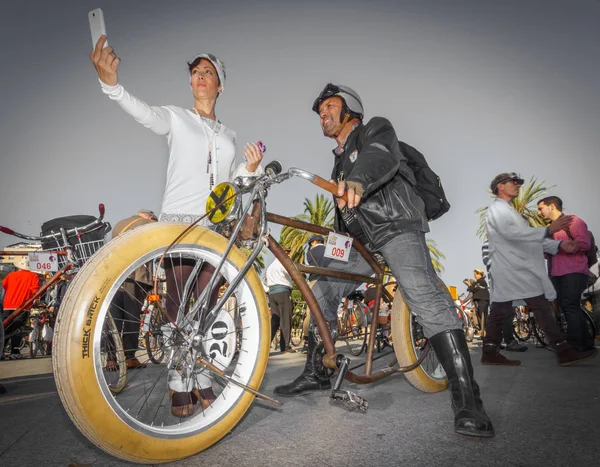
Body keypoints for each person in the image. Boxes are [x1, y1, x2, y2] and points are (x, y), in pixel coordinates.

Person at [275, 83, 494, 438]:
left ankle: (468, 398)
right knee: (320, 290)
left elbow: (380, 156)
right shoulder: (337, 161)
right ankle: (317, 371)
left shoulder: (375, 130)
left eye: (330, 106)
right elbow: (343, 214)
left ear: (350, 111)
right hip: (360, 244)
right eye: (319, 111)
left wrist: (359, 180)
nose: (323, 114)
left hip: (395, 227)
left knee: (424, 296)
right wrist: (331, 246)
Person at [90, 37, 265, 417]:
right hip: (179, 225)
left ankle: (200, 377)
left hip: (214, 230)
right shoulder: (175, 117)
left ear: (220, 84)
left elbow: (231, 186)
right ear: (191, 83)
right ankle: (177, 382)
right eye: (195, 72)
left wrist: (248, 170)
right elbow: (144, 113)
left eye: (209, 72)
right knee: (176, 306)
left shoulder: (229, 135)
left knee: (204, 311)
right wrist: (111, 85)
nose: (200, 77)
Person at [482, 172, 597, 366]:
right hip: (513, 269)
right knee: (540, 306)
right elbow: (514, 235)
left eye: (519, 182)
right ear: (500, 186)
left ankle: (490, 352)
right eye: (513, 182)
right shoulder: (498, 209)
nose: (518, 185)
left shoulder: (508, 211)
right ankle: (563, 350)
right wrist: (548, 231)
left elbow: (528, 241)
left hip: (512, 269)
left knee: (501, 309)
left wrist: (558, 246)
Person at [537, 196, 595, 350]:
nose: (538, 212)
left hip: (574, 271)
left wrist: (562, 246)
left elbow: (584, 243)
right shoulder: (550, 229)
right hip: (556, 274)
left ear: (551, 207)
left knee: (569, 305)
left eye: (540, 208)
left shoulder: (574, 221)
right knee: (567, 306)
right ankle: (586, 343)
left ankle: (575, 344)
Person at [107, 210, 158, 370]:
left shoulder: (119, 225)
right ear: (151, 217)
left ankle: (110, 359)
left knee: (113, 319)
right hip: (135, 276)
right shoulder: (150, 225)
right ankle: (129, 357)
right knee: (131, 318)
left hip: (114, 276)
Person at [2, 257, 40, 359]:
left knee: (5, 328)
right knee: (17, 329)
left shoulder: (11, 275)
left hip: (8, 305)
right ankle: (14, 352)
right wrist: (37, 301)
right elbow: (35, 292)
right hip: (22, 306)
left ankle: (1, 350)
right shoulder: (33, 276)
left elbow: (4, 286)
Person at [265, 249, 295, 353]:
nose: (288, 254)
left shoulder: (270, 266)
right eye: (286, 252)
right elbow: (292, 273)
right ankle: (285, 346)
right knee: (286, 319)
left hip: (272, 294)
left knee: (275, 320)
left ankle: (265, 345)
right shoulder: (283, 263)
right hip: (283, 292)